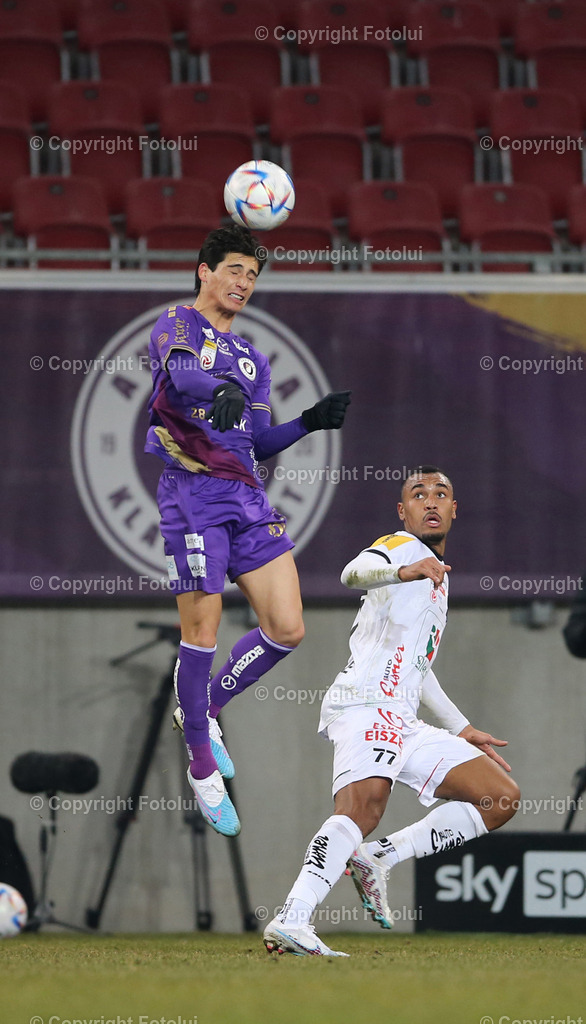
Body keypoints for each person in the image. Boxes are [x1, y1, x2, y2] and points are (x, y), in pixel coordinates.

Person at [145, 224, 351, 837]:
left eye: (253, 275)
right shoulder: (176, 323)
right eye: (235, 270)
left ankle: (202, 709)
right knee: (201, 632)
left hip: (245, 495)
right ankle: (203, 767)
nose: (244, 283)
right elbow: (183, 381)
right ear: (204, 270)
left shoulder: (253, 358)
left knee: (287, 628)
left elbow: (258, 441)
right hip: (192, 494)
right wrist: (216, 396)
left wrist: (310, 422)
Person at [263, 466, 520, 956]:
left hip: (402, 716)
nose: (430, 501)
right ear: (403, 512)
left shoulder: (436, 575)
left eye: (440, 494)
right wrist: (403, 569)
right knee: (362, 809)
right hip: (364, 703)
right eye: (418, 495)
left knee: (499, 798)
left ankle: (379, 858)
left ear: (454, 509)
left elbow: (419, 666)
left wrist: (461, 727)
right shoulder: (403, 548)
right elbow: (351, 573)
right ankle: (292, 919)